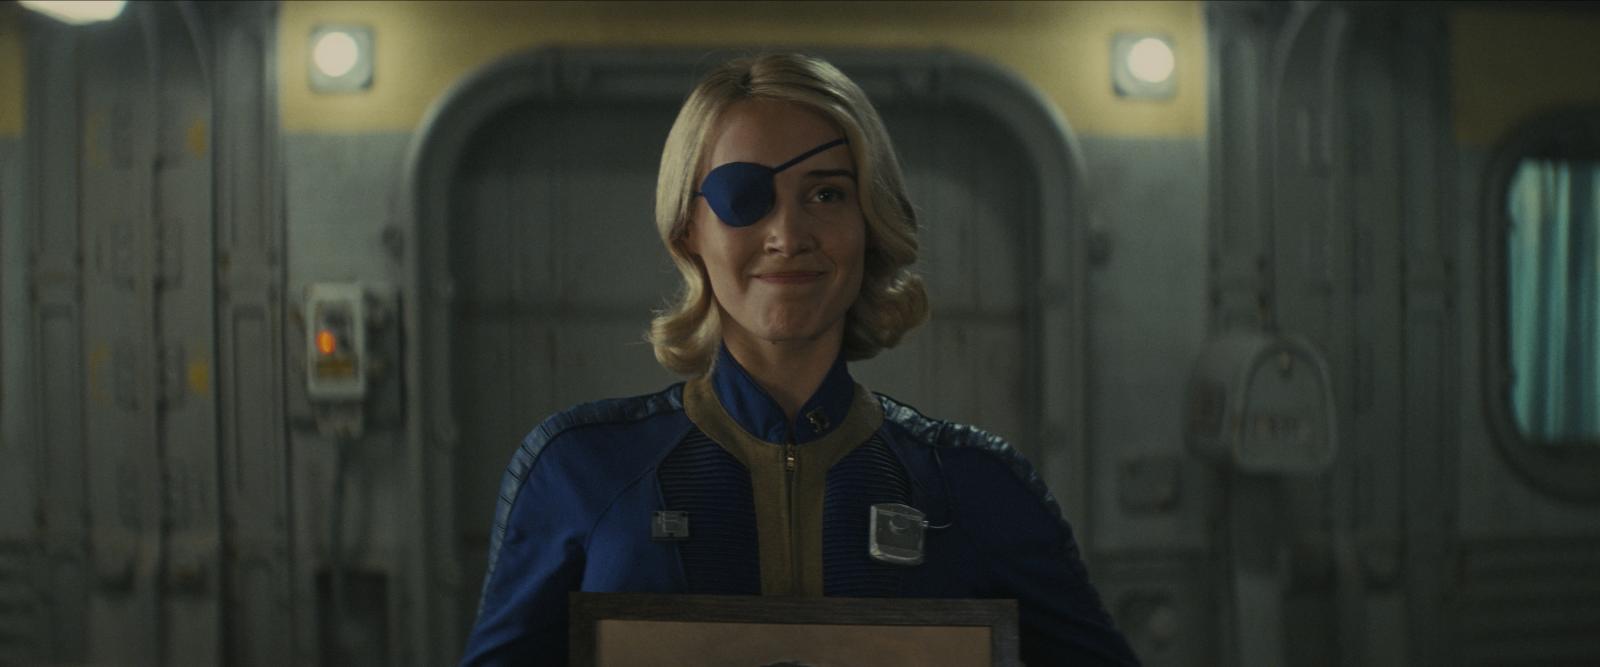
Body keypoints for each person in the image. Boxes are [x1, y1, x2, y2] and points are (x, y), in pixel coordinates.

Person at [460, 53, 1139, 666]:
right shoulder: (579, 471)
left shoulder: (978, 485)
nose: (787, 234)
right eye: (744, 197)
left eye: (827, 194)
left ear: (870, 221)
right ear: (688, 228)